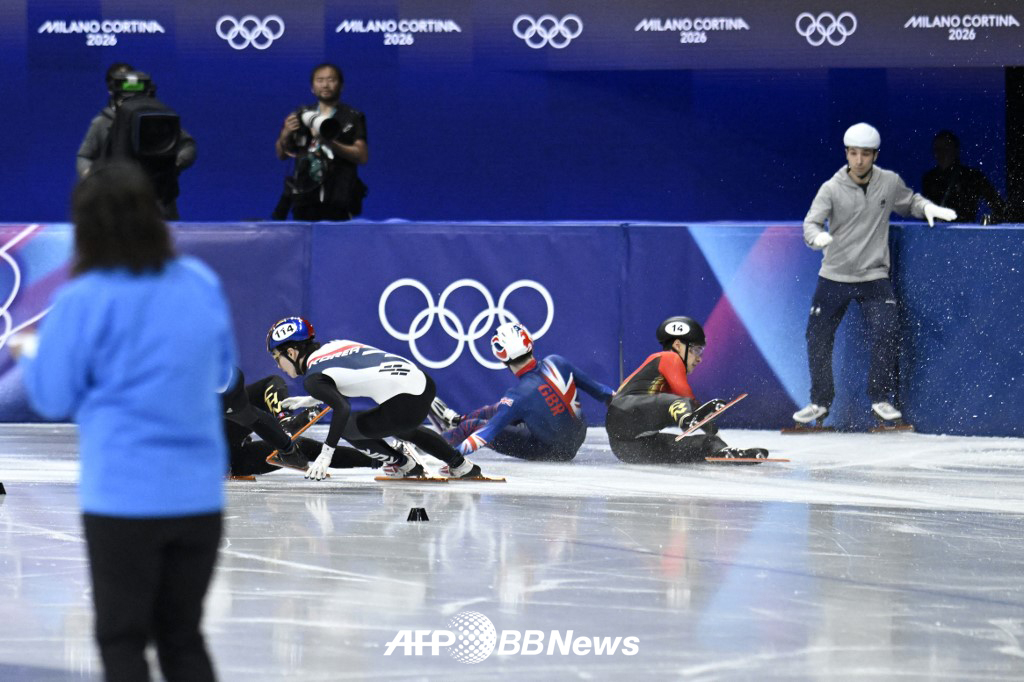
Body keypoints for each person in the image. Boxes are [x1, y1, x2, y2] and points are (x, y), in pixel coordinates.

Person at [13, 162, 234, 682]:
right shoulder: (199, 282)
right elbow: (222, 365)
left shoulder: (82, 299)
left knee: (123, 638)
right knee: (183, 639)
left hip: (123, 497)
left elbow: (51, 396)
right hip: (198, 496)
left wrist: (29, 352)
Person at [794, 123, 957, 429]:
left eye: (865, 154)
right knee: (817, 335)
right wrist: (816, 239)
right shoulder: (830, 188)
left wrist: (929, 208)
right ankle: (819, 402)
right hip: (834, 275)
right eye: (853, 153)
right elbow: (811, 223)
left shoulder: (889, 182)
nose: (859, 160)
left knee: (886, 333)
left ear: (875, 155)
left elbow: (910, 202)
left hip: (873, 276)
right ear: (846, 153)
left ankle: (880, 399)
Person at [266, 316, 486, 480]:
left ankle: (404, 464)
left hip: (405, 401)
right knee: (403, 428)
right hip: (423, 385)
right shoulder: (333, 346)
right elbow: (348, 376)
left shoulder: (313, 379)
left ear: (292, 353)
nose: (278, 366)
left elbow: (341, 407)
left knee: (347, 426)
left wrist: (326, 454)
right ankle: (461, 465)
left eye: (278, 358)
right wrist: (310, 400)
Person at [430, 322, 615, 461]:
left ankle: (434, 443)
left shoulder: (517, 395)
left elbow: (487, 431)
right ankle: (456, 420)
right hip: (577, 437)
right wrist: (615, 399)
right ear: (530, 344)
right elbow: (600, 391)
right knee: (501, 408)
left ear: (503, 361)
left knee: (474, 426)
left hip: (552, 452)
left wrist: (455, 459)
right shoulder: (557, 362)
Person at [606, 316, 768, 463]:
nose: (699, 358)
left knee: (706, 444)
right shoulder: (669, 357)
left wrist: (714, 437)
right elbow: (684, 395)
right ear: (677, 345)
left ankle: (721, 452)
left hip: (626, 448)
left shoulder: (663, 390)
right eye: (695, 350)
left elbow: (680, 406)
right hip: (622, 412)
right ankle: (688, 419)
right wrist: (698, 417)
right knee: (679, 402)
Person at [76, 63, 197, 220]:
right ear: (110, 89)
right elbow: (84, 156)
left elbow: (187, 146)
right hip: (116, 202)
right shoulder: (101, 123)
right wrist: (90, 174)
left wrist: (174, 165)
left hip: (158, 201)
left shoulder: (157, 120)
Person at [222, 367, 377, 477]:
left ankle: (380, 459)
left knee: (299, 448)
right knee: (299, 447)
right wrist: (286, 445)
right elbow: (252, 416)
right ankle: (381, 460)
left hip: (227, 458)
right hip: (228, 456)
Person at [273, 63, 368, 221]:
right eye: (320, 80)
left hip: (339, 198)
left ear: (341, 85)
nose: (325, 84)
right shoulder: (301, 115)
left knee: (338, 244)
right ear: (312, 87)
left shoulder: (353, 117)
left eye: (331, 80)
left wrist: (328, 141)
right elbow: (281, 154)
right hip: (304, 198)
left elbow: (362, 156)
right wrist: (285, 133)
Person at [922, 130, 1007, 224]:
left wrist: (990, 220)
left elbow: (998, 205)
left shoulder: (972, 176)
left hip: (966, 233)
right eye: (937, 149)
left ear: (956, 150)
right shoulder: (929, 179)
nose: (941, 154)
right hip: (935, 233)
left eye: (946, 149)